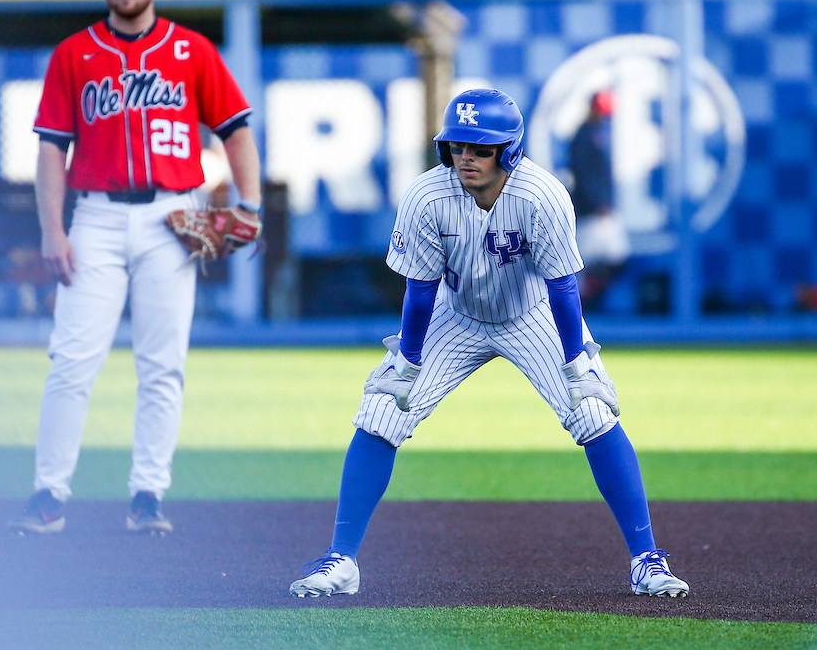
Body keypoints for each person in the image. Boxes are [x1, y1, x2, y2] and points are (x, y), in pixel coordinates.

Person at [289, 88, 689, 598]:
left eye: (480, 148)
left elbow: (563, 287)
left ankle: (647, 560)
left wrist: (574, 363)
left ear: (509, 150)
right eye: (458, 146)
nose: (466, 157)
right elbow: (419, 290)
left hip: (532, 314)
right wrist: (408, 362)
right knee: (383, 409)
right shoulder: (427, 196)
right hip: (454, 315)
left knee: (593, 411)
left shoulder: (542, 194)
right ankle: (341, 561)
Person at [7, 0, 262, 535]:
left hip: (175, 215)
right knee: (71, 361)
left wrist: (248, 205)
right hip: (93, 216)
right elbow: (51, 148)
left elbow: (236, 131)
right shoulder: (74, 53)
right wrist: (52, 229)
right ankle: (49, 494)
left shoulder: (191, 49)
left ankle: (148, 495)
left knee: (163, 365)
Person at [566, 90, 629, 310]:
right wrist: (597, 202)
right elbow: (581, 173)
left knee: (615, 259)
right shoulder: (584, 134)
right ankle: (578, 305)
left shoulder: (595, 132)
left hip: (599, 211)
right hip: (590, 212)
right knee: (579, 266)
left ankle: (586, 299)